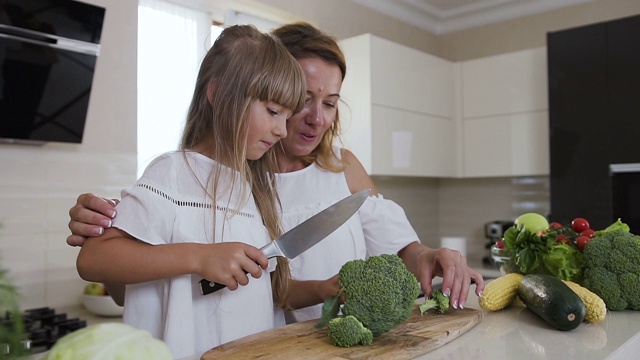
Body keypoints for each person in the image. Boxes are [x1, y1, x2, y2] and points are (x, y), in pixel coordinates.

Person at [68, 22, 484, 325]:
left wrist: (427, 257)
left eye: (331, 103)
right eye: (295, 102)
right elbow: (121, 278)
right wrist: (111, 229)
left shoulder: (331, 170)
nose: (310, 120)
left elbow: (400, 250)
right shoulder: (213, 177)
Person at [74, 24, 306, 359]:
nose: (282, 130)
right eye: (273, 111)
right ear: (218, 95)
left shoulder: (256, 190)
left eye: (286, 117)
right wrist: (199, 256)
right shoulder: (172, 173)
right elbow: (94, 258)